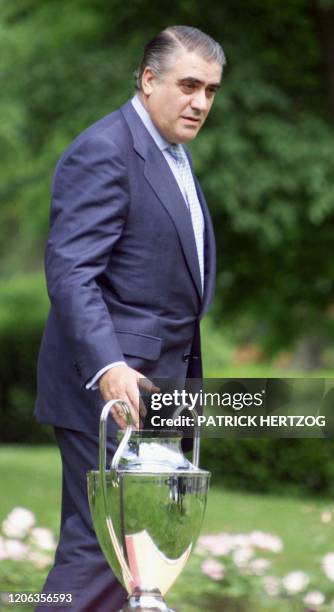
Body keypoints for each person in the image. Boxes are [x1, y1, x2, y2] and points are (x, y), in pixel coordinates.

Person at [34, 25, 225, 611]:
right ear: (148, 80)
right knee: (102, 552)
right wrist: (110, 365)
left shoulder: (174, 155)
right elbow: (72, 272)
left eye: (211, 91)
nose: (200, 102)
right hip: (112, 390)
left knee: (129, 559)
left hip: (160, 391)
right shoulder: (105, 150)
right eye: (188, 85)